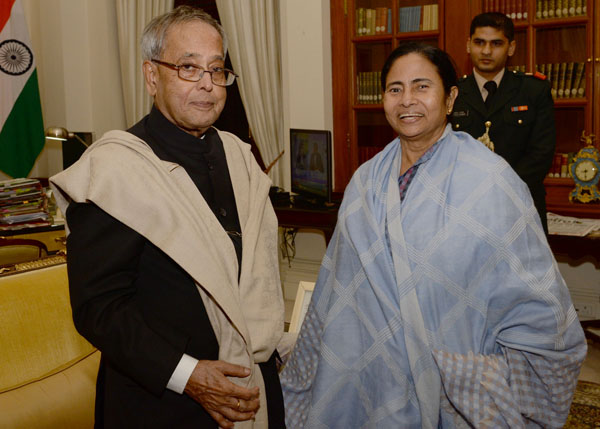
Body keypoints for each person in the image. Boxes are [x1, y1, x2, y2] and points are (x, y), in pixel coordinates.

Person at [280, 42, 586, 428]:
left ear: (450, 97)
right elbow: (335, 288)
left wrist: (464, 367)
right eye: (395, 89)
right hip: (365, 369)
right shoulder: (365, 180)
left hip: (449, 377)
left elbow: (532, 293)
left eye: (421, 86)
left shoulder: (490, 181)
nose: (407, 100)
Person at [50, 6, 286, 428]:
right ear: (151, 76)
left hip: (251, 389)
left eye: (217, 70)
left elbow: (256, 279)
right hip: (161, 401)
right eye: (188, 68)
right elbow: (98, 308)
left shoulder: (240, 157)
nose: (207, 85)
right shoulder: (114, 170)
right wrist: (187, 374)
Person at [450, 12, 556, 234]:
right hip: (465, 208)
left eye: (496, 43)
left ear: (511, 48)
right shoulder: (452, 93)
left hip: (521, 207)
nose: (486, 51)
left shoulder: (534, 91)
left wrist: (499, 189)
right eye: (479, 42)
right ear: (468, 45)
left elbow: (541, 154)